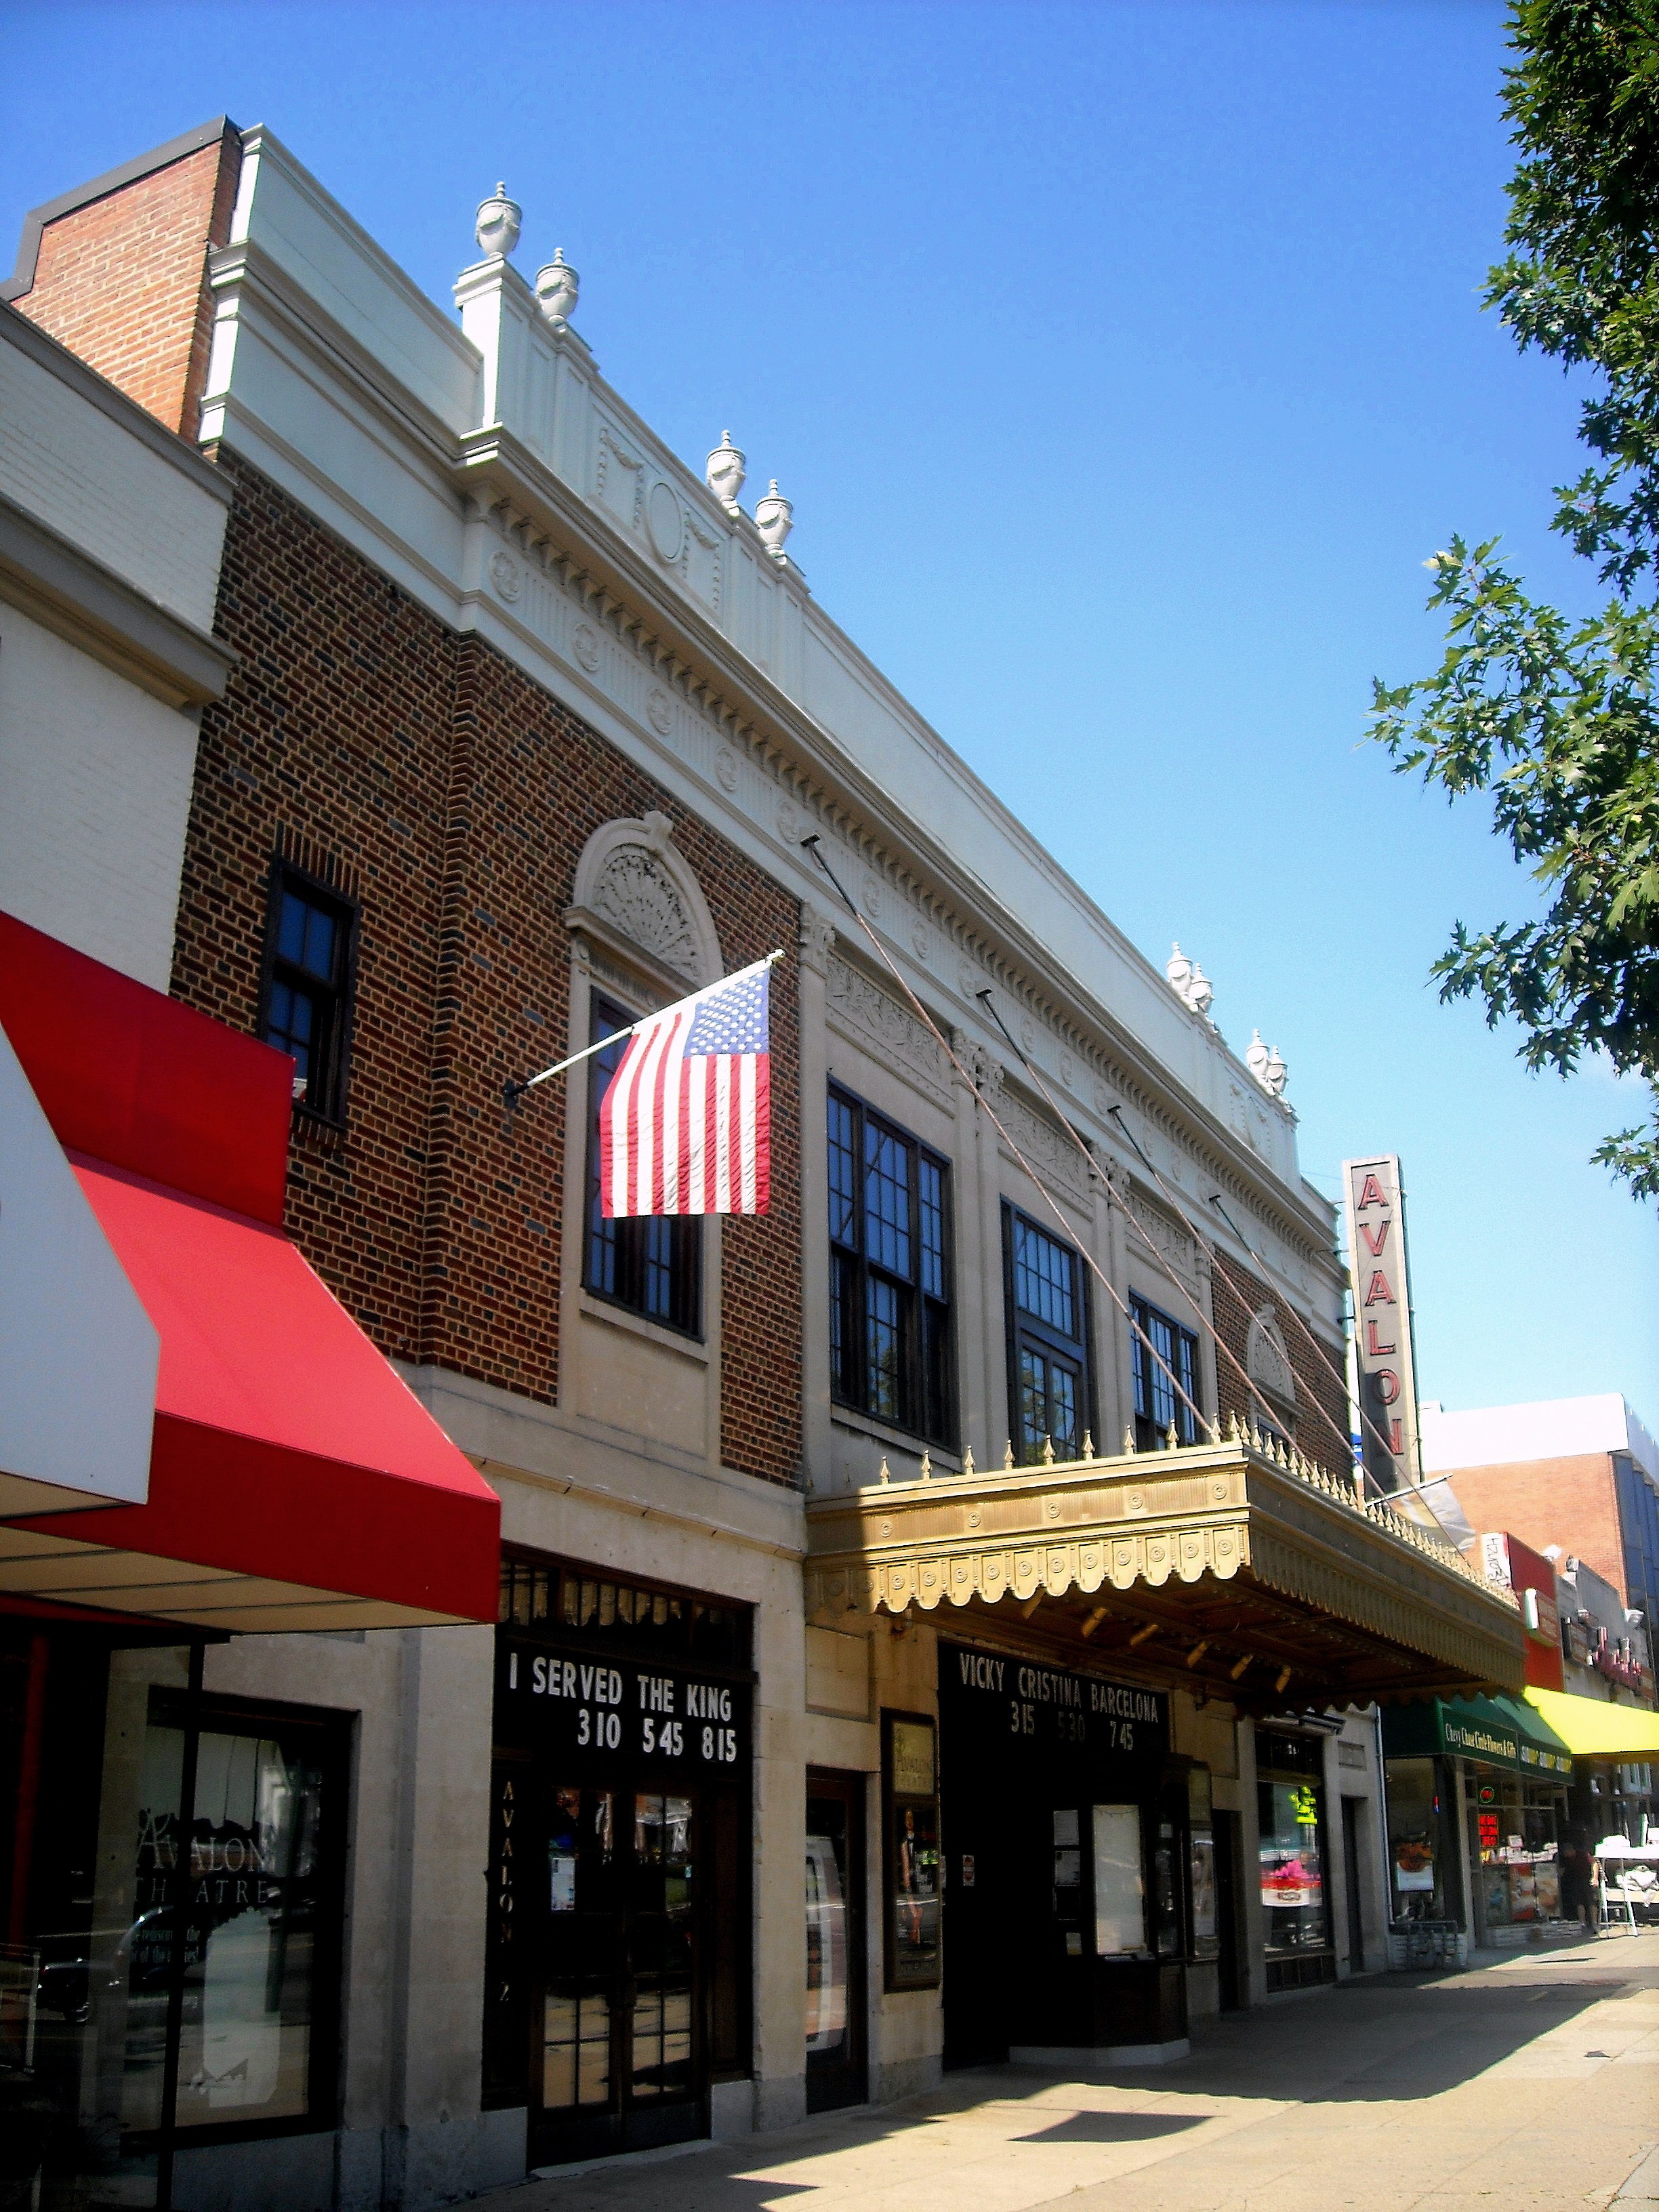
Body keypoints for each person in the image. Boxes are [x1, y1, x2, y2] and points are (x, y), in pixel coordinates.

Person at [1557, 1831, 1599, 1935]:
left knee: (1591, 1901)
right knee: (1579, 1902)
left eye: (1567, 1853)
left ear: (1571, 1851)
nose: (1566, 1855)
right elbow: (1562, 1871)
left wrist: (1595, 1877)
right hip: (1575, 1880)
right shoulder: (1565, 1859)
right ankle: (1582, 1923)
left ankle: (1594, 1923)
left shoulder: (1583, 1854)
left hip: (1587, 1878)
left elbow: (1594, 1863)